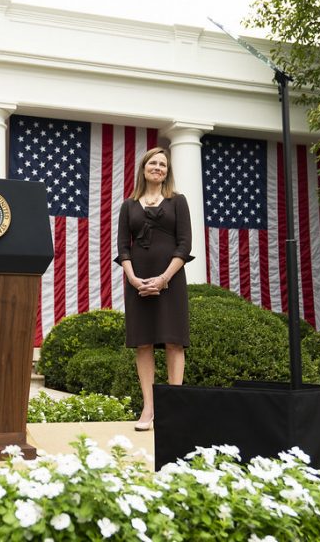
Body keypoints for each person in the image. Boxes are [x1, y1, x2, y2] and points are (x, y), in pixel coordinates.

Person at [115, 146, 193, 432]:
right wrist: (134, 279)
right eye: (153, 163)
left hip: (170, 280)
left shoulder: (177, 202)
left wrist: (164, 278)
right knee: (144, 342)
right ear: (144, 168)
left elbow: (185, 245)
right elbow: (123, 247)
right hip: (138, 282)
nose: (158, 168)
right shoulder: (129, 206)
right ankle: (148, 407)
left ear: (166, 172)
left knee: (173, 341)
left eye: (162, 164)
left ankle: (173, 406)